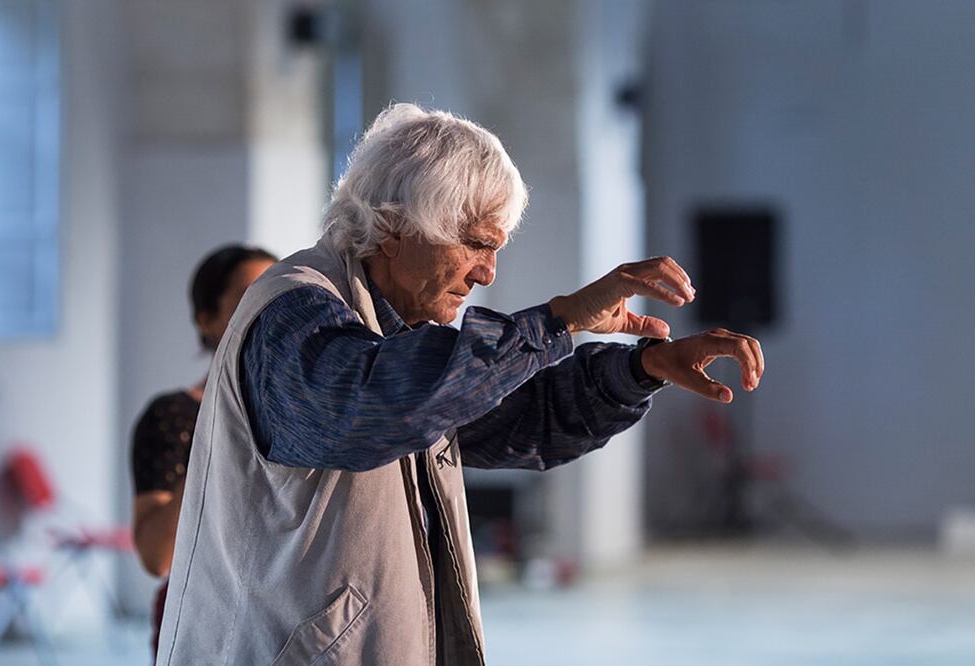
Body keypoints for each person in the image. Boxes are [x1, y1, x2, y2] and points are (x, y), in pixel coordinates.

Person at [157, 104, 764, 665]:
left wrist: (640, 370)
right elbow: (378, 408)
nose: (487, 271)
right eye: (474, 243)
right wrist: (558, 319)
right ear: (393, 227)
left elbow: (523, 418)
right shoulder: (293, 313)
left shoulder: (394, 329)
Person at [130, 244, 276, 660]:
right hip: (206, 623)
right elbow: (157, 556)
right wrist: (225, 432)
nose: (269, 313)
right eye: (251, 298)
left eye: (279, 296)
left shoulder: (309, 413)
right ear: (206, 319)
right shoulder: (175, 415)